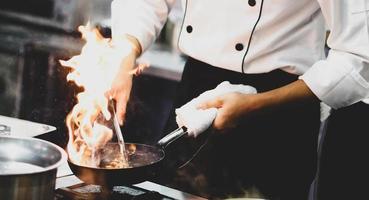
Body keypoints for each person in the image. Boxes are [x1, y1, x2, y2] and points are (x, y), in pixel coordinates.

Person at [107, 0, 369, 199]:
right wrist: (126, 49)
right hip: (197, 93)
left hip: (279, 110)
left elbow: (359, 56)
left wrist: (258, 104)